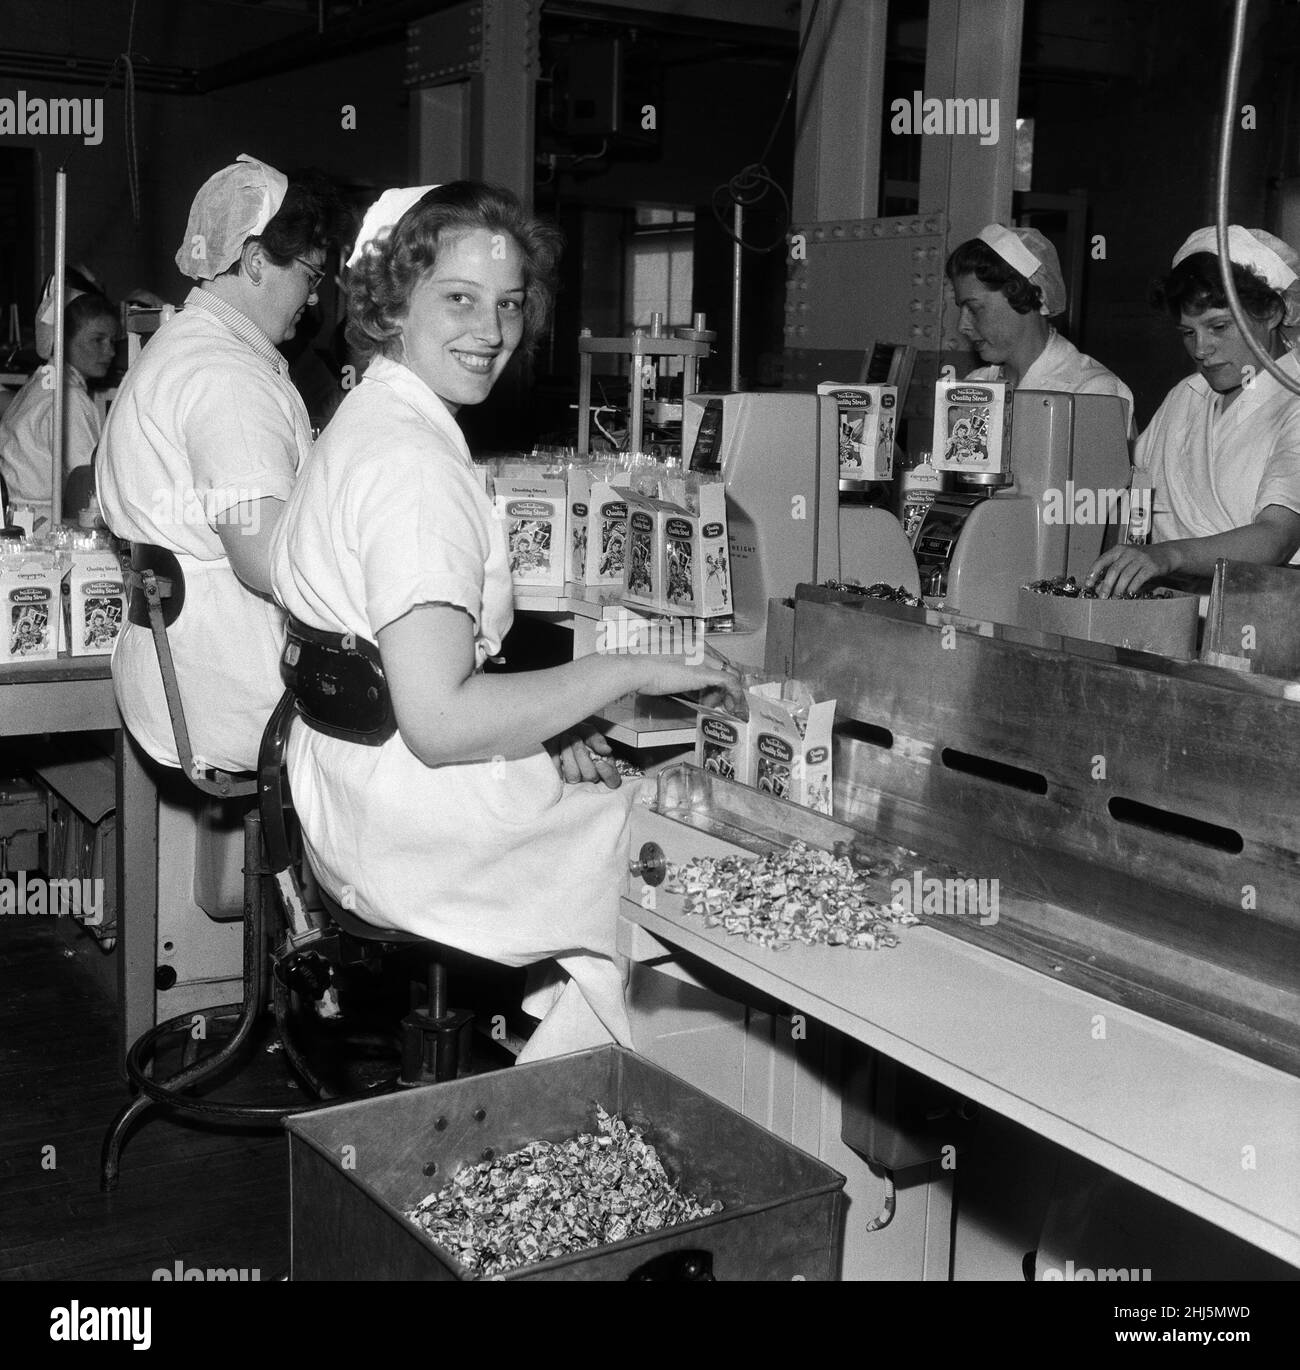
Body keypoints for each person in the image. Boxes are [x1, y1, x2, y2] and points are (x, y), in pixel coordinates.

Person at [270, 182, 737, 1061]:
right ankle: (589, 1139)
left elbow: (408, 667)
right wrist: (621, 672)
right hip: (415, 829)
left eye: (509, 305)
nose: (490, 331)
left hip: (345, 798)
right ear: (390, 301)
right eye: (459, 299)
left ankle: (560, 1107)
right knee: (682, 865)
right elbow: (442, 722)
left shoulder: (366, 419)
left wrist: (540, 730)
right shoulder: (414, 470)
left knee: (611, 821)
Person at [98, 154, 349, 773]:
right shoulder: (226, 376)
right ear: (256, 258)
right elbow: (265, 559)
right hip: (233, 687)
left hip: (175, 673)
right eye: (311, 277)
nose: (314, 299)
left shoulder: (184, 347)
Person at [1087, 225, 1300, 597]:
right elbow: (1134, 490)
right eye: (1188, 333)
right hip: (1168, 614)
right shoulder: (1185, 397)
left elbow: (1276, 536)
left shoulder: (1294, 403)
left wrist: (1167, 556)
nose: (1201, 349)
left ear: (1270, 312)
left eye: (1218, 326)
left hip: (1260, 623)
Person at [946, 224, 1134, 426]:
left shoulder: (1092, 391)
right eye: (961, 309)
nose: (962, 326)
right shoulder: (975, 386)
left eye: (974, 309)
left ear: (1027, 295)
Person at [0, 292, 117, 524]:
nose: (111, 352)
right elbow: (87, 486)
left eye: (112, 341)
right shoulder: (69, 399)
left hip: (17, 519)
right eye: (98, 340)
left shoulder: (41, 382)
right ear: (63, 340)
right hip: (38, 526)